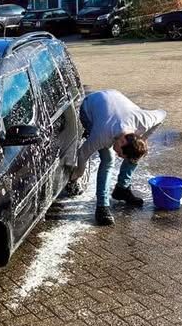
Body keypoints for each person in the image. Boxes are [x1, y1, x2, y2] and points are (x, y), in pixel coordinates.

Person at [69, 89, 166, 226]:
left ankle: (122, 189)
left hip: (117, 100)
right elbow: (82, 154)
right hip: (89, 108)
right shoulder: (101, 134)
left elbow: (163, 113)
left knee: (135, 155)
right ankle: (102, 207)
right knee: (108, 160)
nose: (120, 156)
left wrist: (144, 139)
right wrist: (77, 174)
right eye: (120, 153)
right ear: (121, 142)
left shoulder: (144, 120)